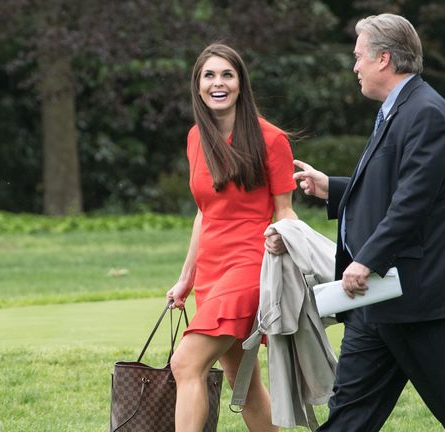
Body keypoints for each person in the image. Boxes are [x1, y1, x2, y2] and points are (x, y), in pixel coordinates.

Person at [290, 14, 445, 431]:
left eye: (359, 57)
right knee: (349, 414)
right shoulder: (399, 110)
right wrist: (334, 189)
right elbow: (391, 186)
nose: (354, 67)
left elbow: (413, 202)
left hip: (421, 298)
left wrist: (367, 259)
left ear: (384, 59)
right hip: (378, 301)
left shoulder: (426, 112)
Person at [166, 43, 298, 432]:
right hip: (211, 270)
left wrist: (282, 240)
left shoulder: (271, 140)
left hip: (250, 266)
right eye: (209, 75)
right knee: (245, 382)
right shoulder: (196, 138)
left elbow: (285, 209)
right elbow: (204, 212)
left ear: (241, 83)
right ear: (198, 84)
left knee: (185, 362)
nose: (218, 83)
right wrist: (186, 279)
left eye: (227, 74)